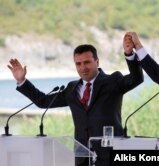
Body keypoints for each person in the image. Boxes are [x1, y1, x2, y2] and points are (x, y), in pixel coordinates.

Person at [7, 35, 143, 165]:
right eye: (78, 64)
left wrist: (129, 54)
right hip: (82, 158)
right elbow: (44, 101)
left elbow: (137, 78)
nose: (83, 68)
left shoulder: (113, 81)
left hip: (109, 156)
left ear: (97, 61)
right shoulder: (72, 88)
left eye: (87, 62)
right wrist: (22, 81)